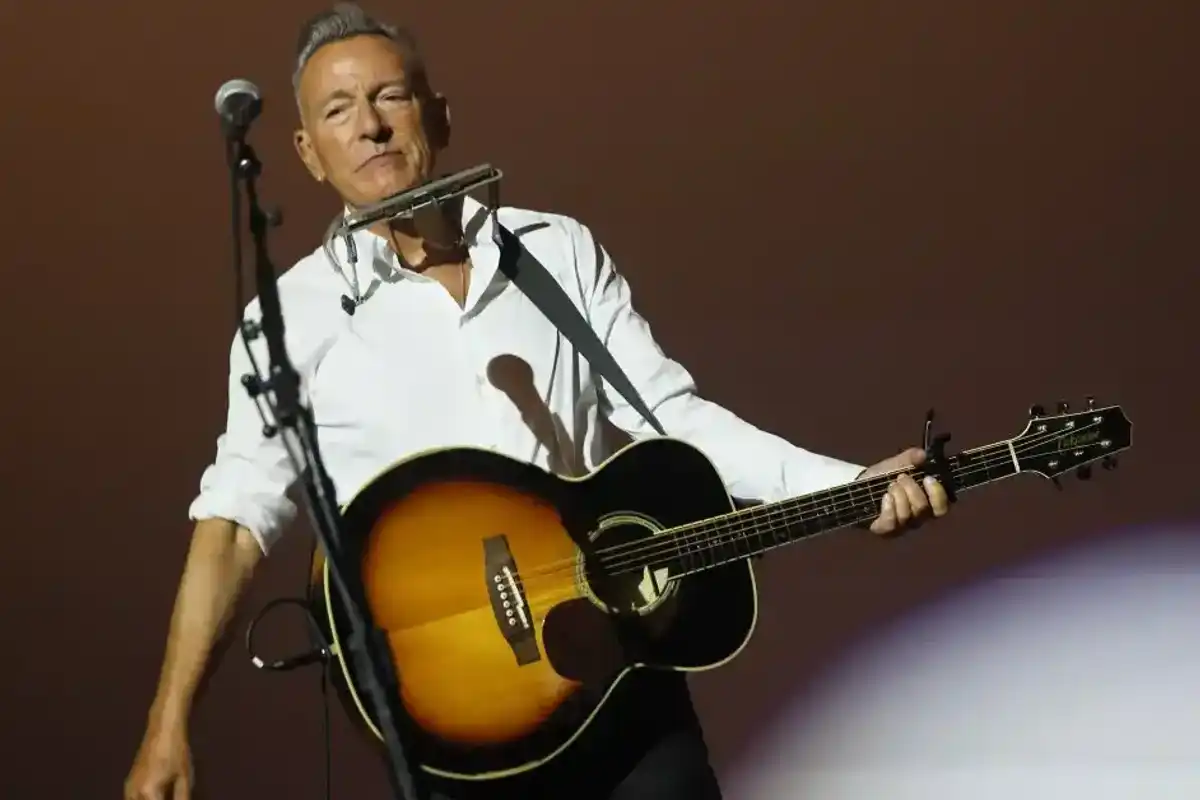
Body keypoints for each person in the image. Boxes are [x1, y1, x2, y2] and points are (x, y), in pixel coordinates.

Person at [123, 4, 950, 799]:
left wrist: (846, 487)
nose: (369, 126)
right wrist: (169, 723)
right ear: (308, 152)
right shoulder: (289, 317)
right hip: (457, 719)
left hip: (617, 678)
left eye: (389, 97)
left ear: (437, 116)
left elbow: (673, 418)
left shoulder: (554, 250)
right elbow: (232, 525)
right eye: (339, 111)